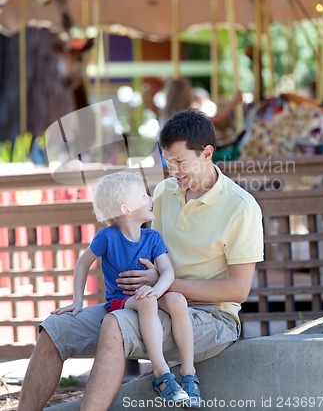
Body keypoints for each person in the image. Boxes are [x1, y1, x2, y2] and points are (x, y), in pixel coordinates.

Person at [18, 108, 264, 411]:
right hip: (148, 302)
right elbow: (143, 249)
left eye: (179, 161)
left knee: (116, 324)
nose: (172, 170)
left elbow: (237, 290)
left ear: (207, 153)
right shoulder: (162, 193)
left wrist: (162, 286)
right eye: (167, 161)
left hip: (210, 319)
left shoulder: (241, 207)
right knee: (56, 330)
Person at [50, 171, 199, 406]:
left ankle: (189, 374)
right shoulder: (107, 237)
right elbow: (82, 264)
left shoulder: (152, 237)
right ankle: (162, 373)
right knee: (147, 302)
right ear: (126, 210)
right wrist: (77, 301)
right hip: (122, 299)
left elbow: (168, 271)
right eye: (143, 196)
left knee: (178, 300)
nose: (151, 199)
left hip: (152, 293)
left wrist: (157, 291)